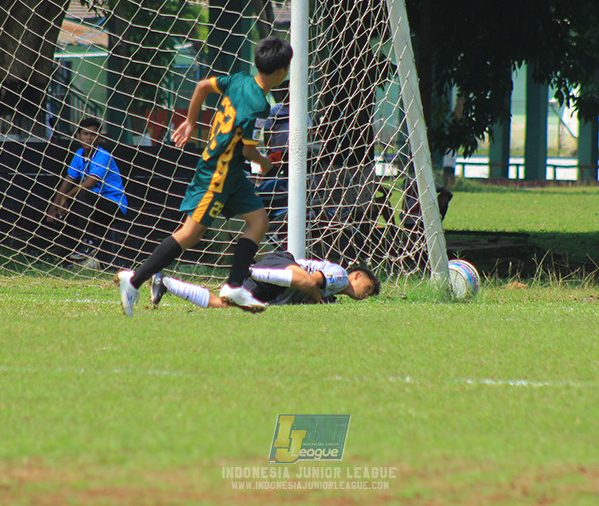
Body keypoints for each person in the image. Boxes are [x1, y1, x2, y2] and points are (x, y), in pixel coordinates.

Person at [117, 36, 293, 316]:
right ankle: (134, 280)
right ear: (282, 72)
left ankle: (235, 285)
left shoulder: (239, 79)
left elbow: (201, 86)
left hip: (232, 174)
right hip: (217, 175)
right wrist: (266, 164)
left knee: (259, 221)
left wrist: (190, 121)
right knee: (191, 234)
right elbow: (249, 152)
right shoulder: (260, 105)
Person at [147, 252, 380, 312]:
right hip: (283, 265)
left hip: (275, 289)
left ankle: (165, 283)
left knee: (223, 306)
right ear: (357, 276)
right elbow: (309, 282)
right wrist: (320, 300)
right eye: (367, 289)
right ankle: (250, 270)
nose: (364, 295)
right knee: (304, 280)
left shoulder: (334, 294)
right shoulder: (339, 277)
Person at [46, 117, 128, 264]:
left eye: (93, 134)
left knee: (82, 193)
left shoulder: (103, 155)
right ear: (78, 136)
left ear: (99, 137)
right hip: (91, 205)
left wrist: (67, 197)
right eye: (85, 134)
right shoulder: (79, 154)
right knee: (61, 211)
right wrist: (54, 206)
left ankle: (88, 243)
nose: (89, 138)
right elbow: (67, 181)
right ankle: (62, 255)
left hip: (113, 205)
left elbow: (90, 182)